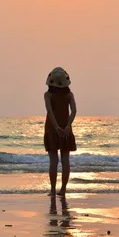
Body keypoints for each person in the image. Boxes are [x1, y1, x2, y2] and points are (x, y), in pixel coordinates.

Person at [44, 67, 77, 197]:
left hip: (52, 128)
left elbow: (49, 111)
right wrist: (68, 126)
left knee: (53, 160)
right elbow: (74, 111)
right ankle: (63, 189)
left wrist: (56, 127)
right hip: (66, 128)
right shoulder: (69, 95)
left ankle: (53, 190)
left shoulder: (48, 95)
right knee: (65, 159)